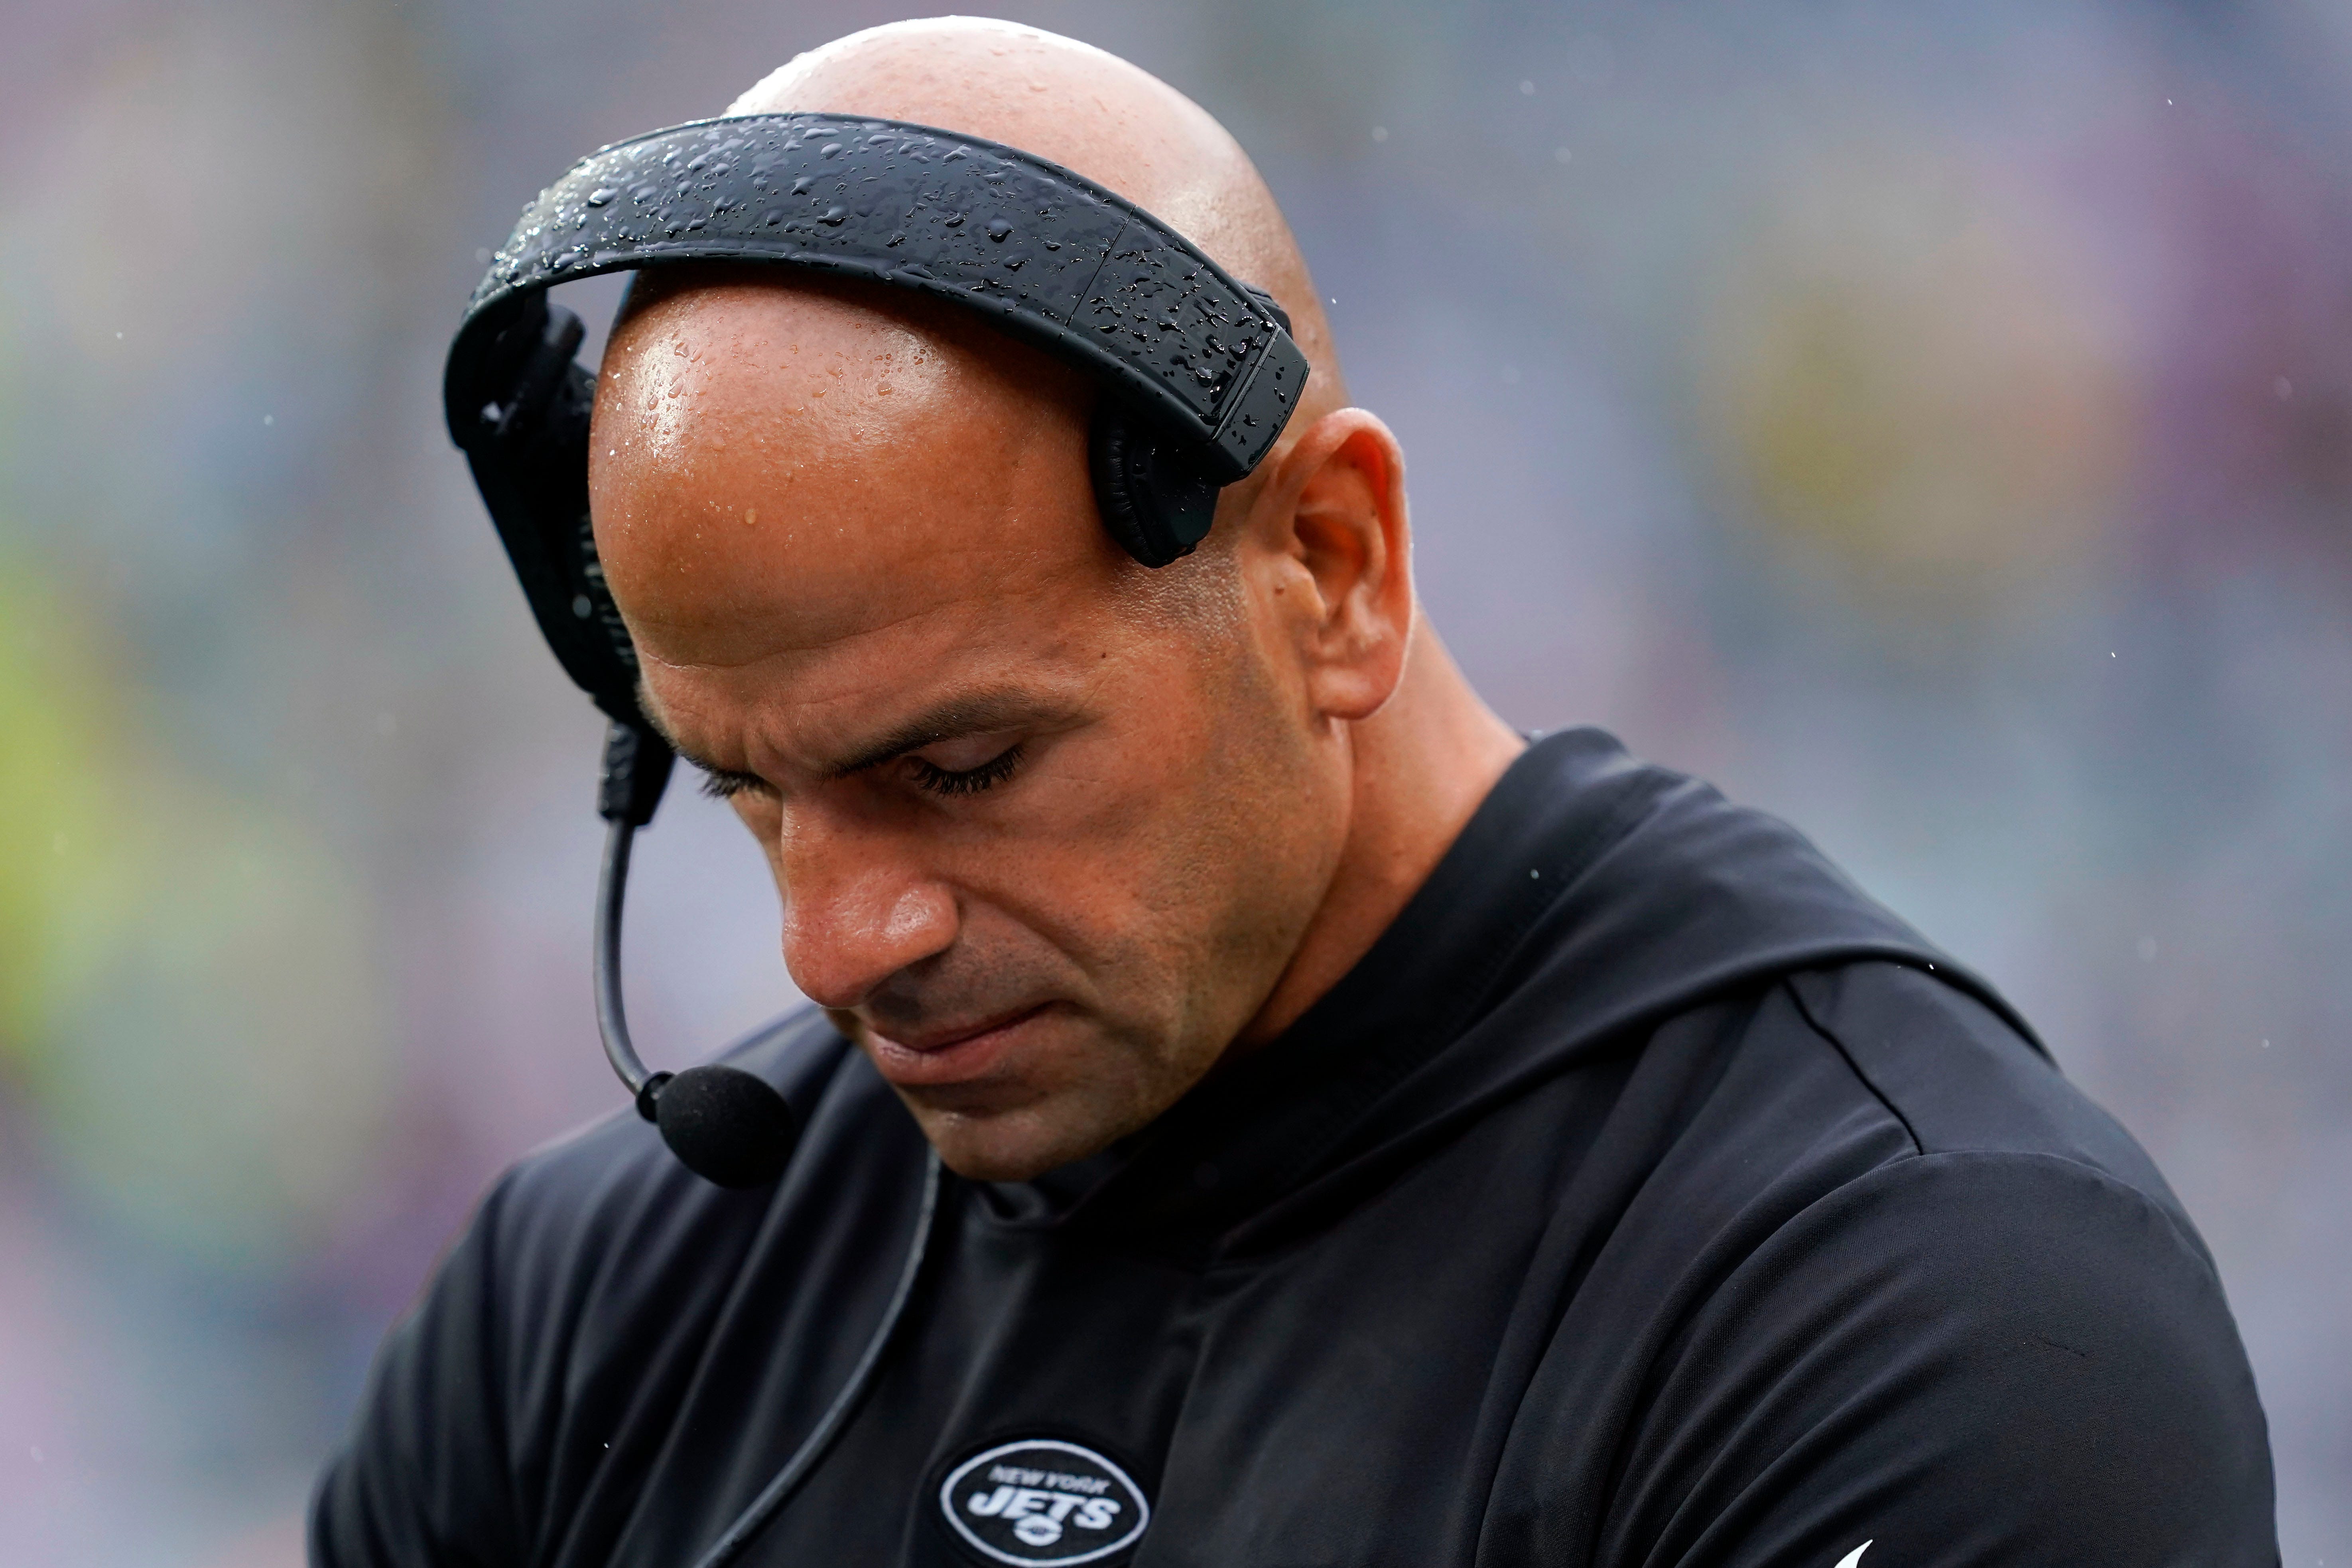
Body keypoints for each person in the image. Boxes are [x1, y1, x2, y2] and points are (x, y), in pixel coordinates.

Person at [313, 18, 2277, 1568]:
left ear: (1331, 565)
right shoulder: (588, 1309)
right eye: (749, 787)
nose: (836, 940)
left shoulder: (1920, 1316)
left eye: (962, 766)